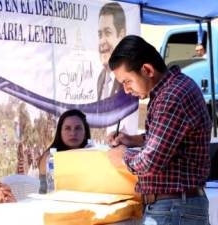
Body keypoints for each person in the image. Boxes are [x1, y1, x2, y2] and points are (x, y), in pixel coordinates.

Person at [107, 35, 211, 225]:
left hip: (174, 209)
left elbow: (150, 162)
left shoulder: (171, 97)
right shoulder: (173, 89)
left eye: (127, 81)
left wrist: (123, 155)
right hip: (176, 208)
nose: (126, 90)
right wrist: (133, 140)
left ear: (147, 70)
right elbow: (171, 138)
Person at [38, 109, 92, 193]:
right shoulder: (49, 157)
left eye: (78, 128)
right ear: (60, 132)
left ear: (85, 133)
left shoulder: (92, 154)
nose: (73, 133)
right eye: (67, 128)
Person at [97, 2, 126, 101]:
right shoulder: (101, 78)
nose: (102, 41)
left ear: (121, 36)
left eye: (107, 33)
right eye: (100, 35)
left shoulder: (128, 81)